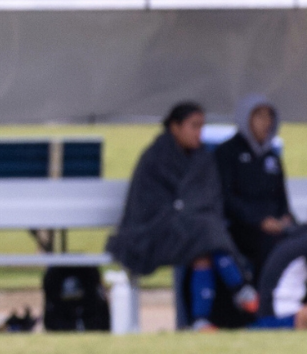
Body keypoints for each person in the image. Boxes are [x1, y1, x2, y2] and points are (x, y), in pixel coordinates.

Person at [107, 102, 259, 330]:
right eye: (194, 126)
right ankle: (239, 287)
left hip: (189, 232)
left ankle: (200, 321)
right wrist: (184, 213)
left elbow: (209, 198)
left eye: (202, 126)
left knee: (203, 245)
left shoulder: (202, 158)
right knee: (206, 232)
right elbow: (145, 204)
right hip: (152, 233)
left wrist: (189, 213)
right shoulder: (155, 158)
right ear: (175, 127)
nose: (199, 132)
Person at [217, 94, 294, 276]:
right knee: (271, 244)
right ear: (246, 118)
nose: (266, 122)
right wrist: (259, 220)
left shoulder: (271, 156)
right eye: (259, 115)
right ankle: (265, 296)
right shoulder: (227, 153)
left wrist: (284, 216)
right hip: (241, 226)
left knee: (305, 238)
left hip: (275, 223)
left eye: (269, 116)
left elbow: (281, 195)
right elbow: (227, 198)